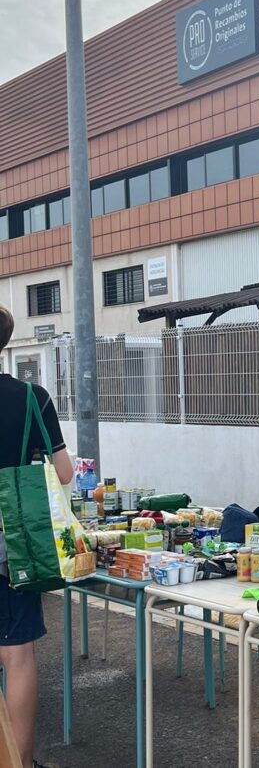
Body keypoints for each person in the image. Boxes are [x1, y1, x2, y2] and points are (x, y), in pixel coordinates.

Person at [0, 305, 73, 768]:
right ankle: (18, 762)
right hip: (13, 545)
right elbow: (64, 472)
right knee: (17, 654)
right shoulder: (32, 397)